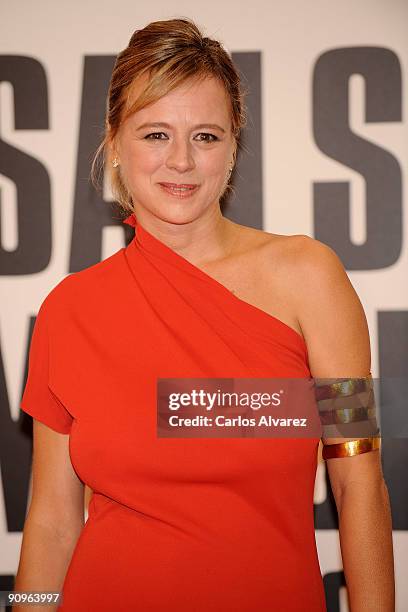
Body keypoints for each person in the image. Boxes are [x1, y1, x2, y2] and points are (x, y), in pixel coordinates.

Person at [15, 17, 394, 612]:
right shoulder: (70, 310)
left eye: (206, 136)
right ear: (114, 142)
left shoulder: (310, 278)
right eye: (156, 134)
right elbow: (53, 520)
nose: (182, 162)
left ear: (234, 144)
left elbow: (357, 478)